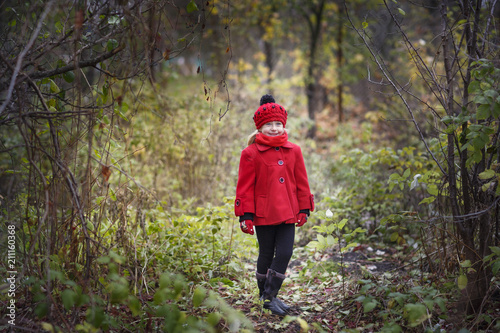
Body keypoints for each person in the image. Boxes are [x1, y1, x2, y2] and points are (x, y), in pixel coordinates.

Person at [234, 94, 314, 316]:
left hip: (288, 212)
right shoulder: (250, 153)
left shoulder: (294, 150)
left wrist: (304, 208)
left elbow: (301, 181)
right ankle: (266, 297)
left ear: (284, 125)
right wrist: (246, 215)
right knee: (266, 254)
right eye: (269, 124)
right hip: (263, 213)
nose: (274, 128)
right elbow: (245, 186)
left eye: (278, 124)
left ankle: (269, 296)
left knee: (286, 252)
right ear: (260, 127)